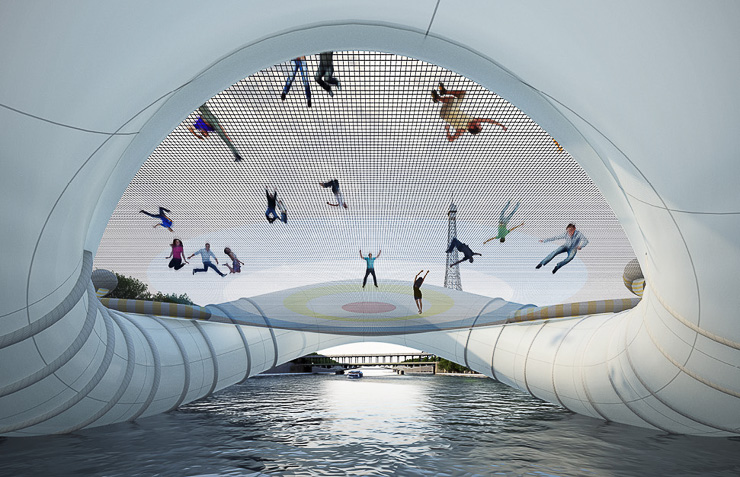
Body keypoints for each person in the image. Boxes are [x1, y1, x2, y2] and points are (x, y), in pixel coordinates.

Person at [431, 82, 507, 142]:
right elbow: (488, 120)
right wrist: (500, 125)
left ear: (472, 127)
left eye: (478, 125)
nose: (479, 123)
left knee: (453, 100)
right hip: (453, 107)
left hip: (445, 113)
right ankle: (444, 92)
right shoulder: (473, 119)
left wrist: (447, 130)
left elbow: (451, 139)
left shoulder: (461, 129)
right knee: (462, 94)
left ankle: (437, 98)